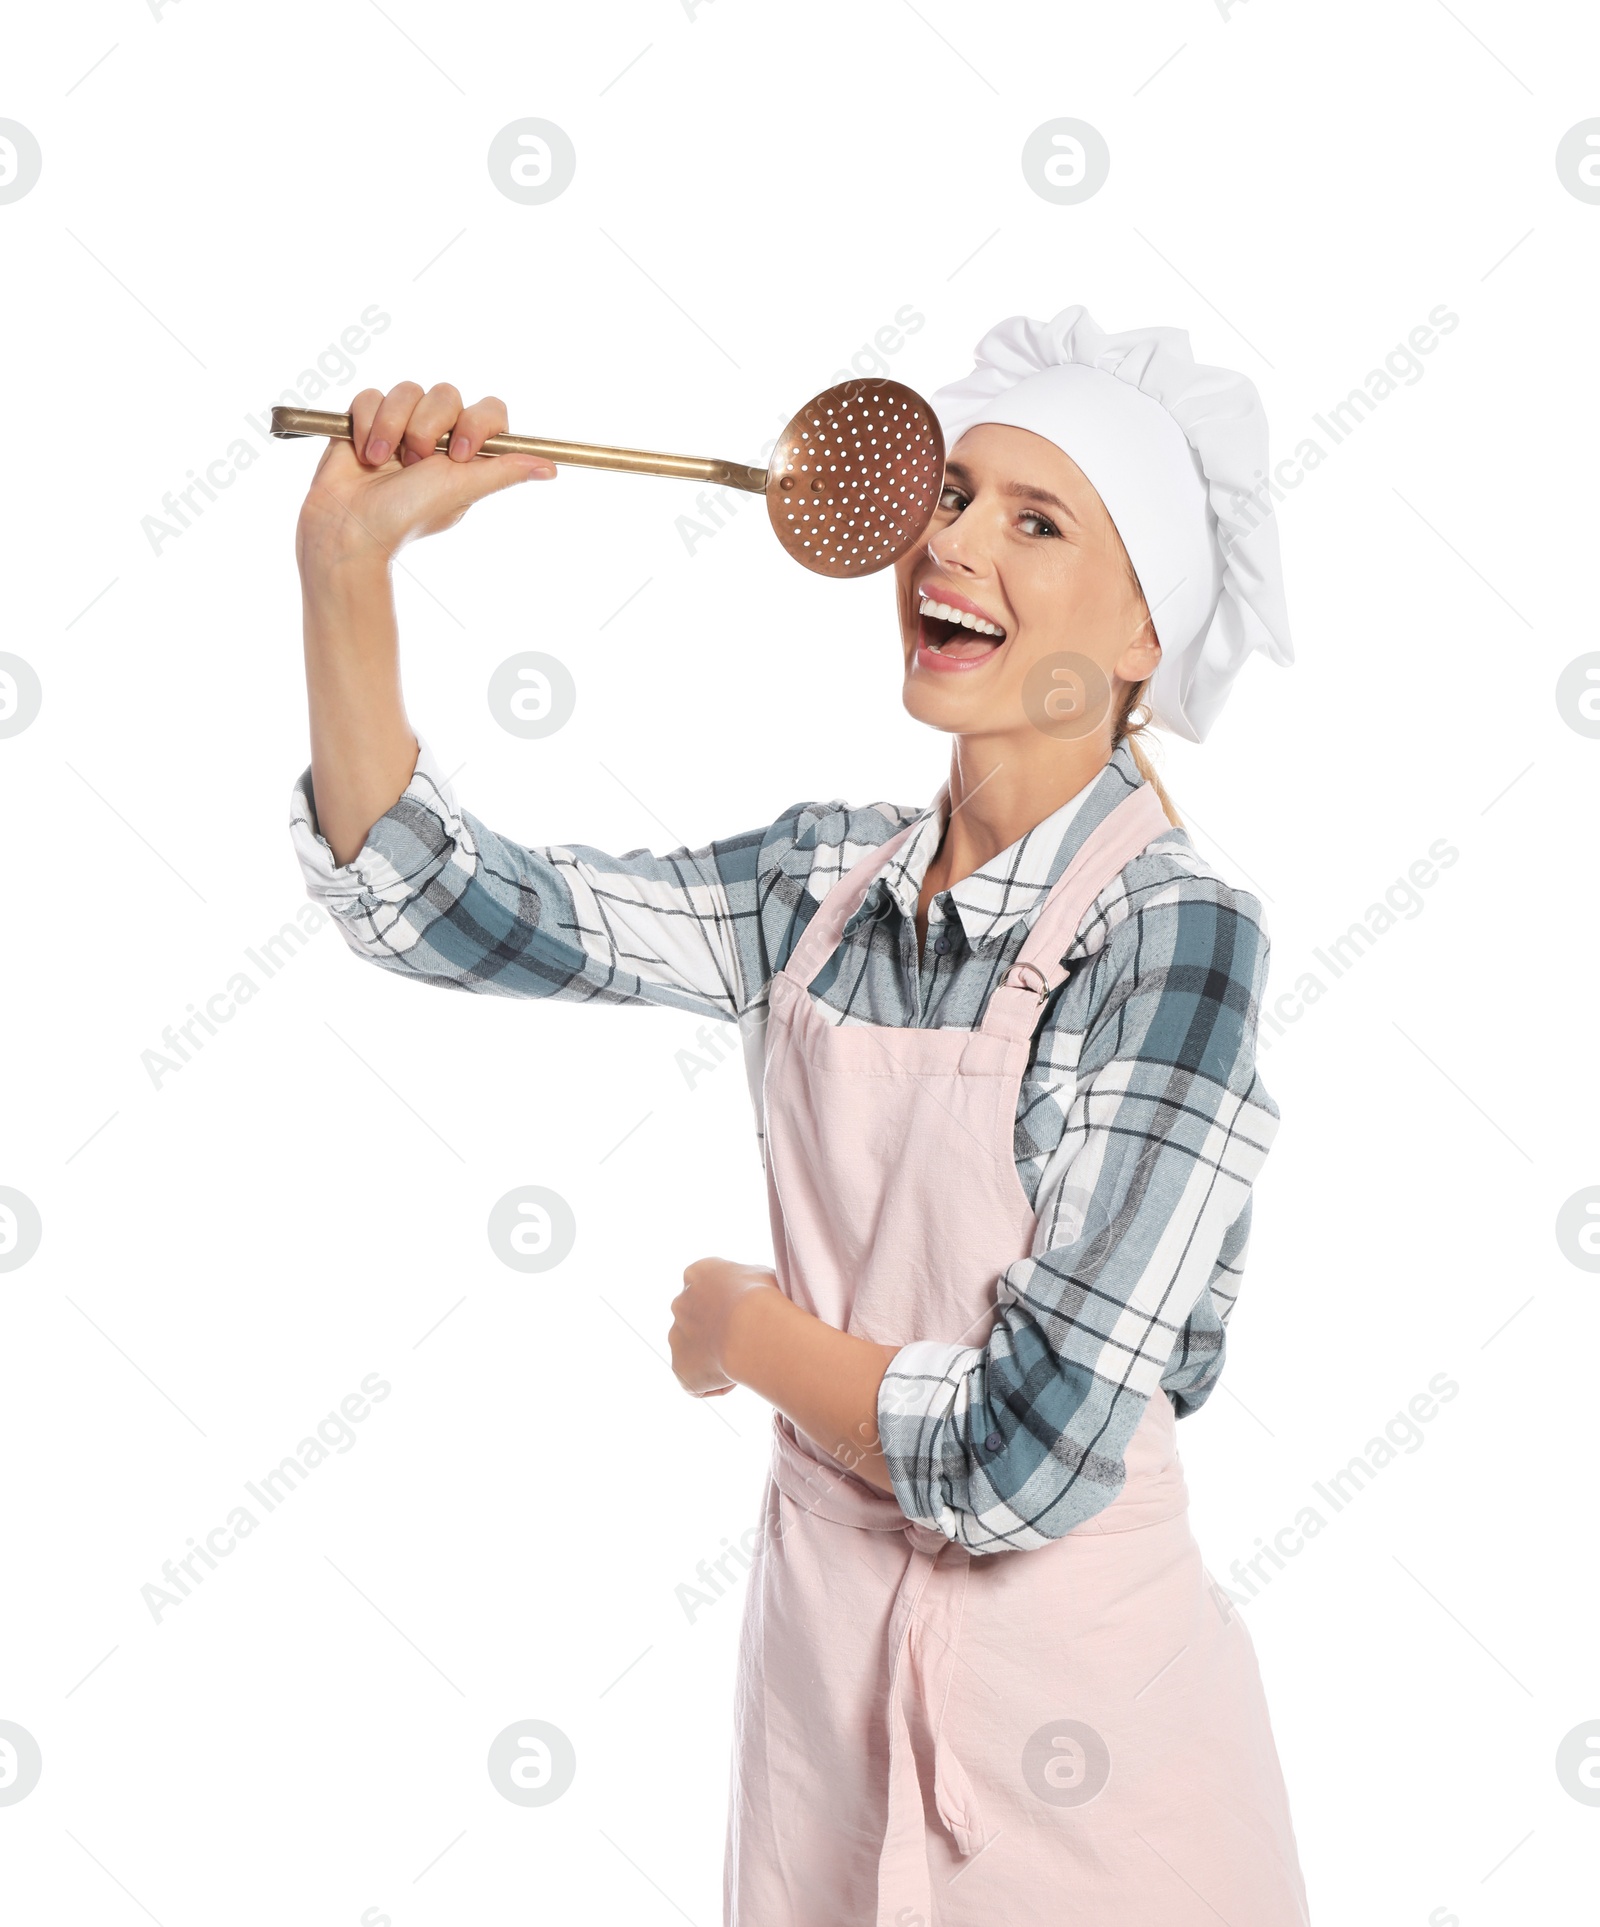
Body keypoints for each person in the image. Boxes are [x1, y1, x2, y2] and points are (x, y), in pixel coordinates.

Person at [289, 305, 1309, 1924]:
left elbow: (1026, 1457)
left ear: (1142, 639)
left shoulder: (1177, 940)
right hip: (824, 1721)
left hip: (1095, 1774)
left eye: (1035, 522)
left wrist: (746, 1338)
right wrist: (347, 573)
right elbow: (437, 906)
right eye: (956, 496)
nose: (954, 541)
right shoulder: (820, 889)